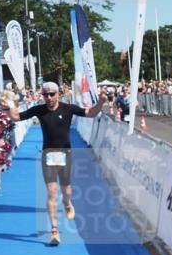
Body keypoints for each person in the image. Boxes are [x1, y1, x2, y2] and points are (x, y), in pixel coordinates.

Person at [7, 81, 102, 246]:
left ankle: (66, 202)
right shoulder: (39, 110)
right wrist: (10, 105)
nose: (49, 98)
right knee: (51, 191)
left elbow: (91, 113)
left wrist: (101, 102)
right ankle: (54, 231)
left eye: (52, 94)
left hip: (65, 154)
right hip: (48, 155)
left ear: (58, 94)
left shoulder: (68, 108)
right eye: (45, 95)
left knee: (67, 190)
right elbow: (16, 117)